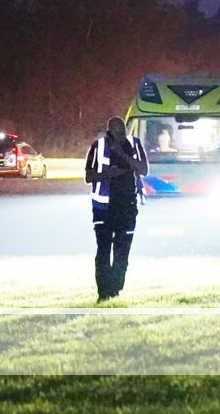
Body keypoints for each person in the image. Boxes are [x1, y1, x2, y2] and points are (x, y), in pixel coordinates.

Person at [84, 116, 148, 301]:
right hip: (103, 207)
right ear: (109, 131)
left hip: (127, 206)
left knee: (122, 250)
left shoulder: (134, 144)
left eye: (123, 131)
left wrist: (122, 154)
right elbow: (88, 176)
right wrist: (107, 174)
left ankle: (115, 288)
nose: (121, 135)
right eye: (116, 131)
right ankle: (103, 292)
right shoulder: (99, 146)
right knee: (103, 250)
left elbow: (143, 170)